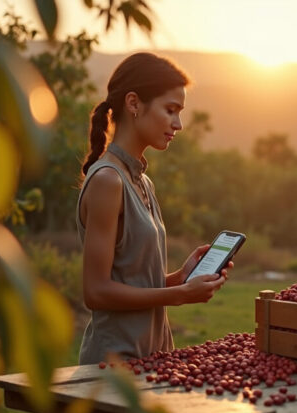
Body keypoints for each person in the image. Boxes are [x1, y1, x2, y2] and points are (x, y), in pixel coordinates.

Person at [76, 52, 229, 364]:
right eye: (170, 110)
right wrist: (179, 296)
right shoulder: (108, 181)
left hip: (152, 360)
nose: (179, 124)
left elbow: (135, 284)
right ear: (134, 103)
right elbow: (96, 292)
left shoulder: (143, 182)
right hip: (113, 365)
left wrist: (180, 278)